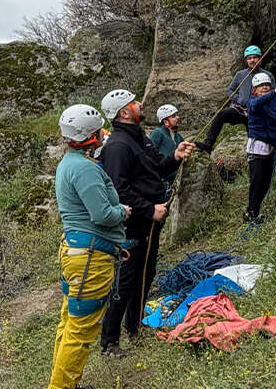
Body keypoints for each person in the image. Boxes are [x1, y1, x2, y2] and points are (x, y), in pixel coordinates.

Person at [96, 89, 195, 358]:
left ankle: (135, 328)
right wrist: (149, 209)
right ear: (125, 112)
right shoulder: (117, 146)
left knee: (146, 275)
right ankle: (109, 342)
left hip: (151, 222)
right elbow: (118, 189)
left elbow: (155, 170)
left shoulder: (141, 138)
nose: (140, 103)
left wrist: (174, 157)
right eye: (134, 102)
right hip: (134, 225)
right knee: (125, 282)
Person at [48, 104, 132, 389]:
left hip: (79, 251)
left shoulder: (69, 163)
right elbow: (102, 215)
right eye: (99, 131)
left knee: (69, 323)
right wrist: (122, 211)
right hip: (90, 258)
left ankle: (65, 383)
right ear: (91, 135)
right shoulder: (84, 169)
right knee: (80, 330)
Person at [195, 45, 275, 153]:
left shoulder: (267, 75)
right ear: (246, 61)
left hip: (257, 112)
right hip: (241, 110)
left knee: (255, 135)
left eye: (254, 57)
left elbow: (274, 93)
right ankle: (208, 143)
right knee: (222, 114)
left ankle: (262, 150)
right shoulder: (240, 75)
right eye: (249, 58)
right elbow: (229, 91)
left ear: (260, 58)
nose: (252, 60)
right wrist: (239, 99)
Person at [243, 73, 276, 224]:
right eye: (260, 86)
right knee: (257, 183)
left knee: (265, 184)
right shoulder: (252, 102)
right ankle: (251, 213)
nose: (264, 87)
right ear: (254, 91)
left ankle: (254, 213)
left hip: (270, 148)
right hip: (257, 149)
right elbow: (259, 103)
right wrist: (274, 92)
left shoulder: (275, 101)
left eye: (267, 85)